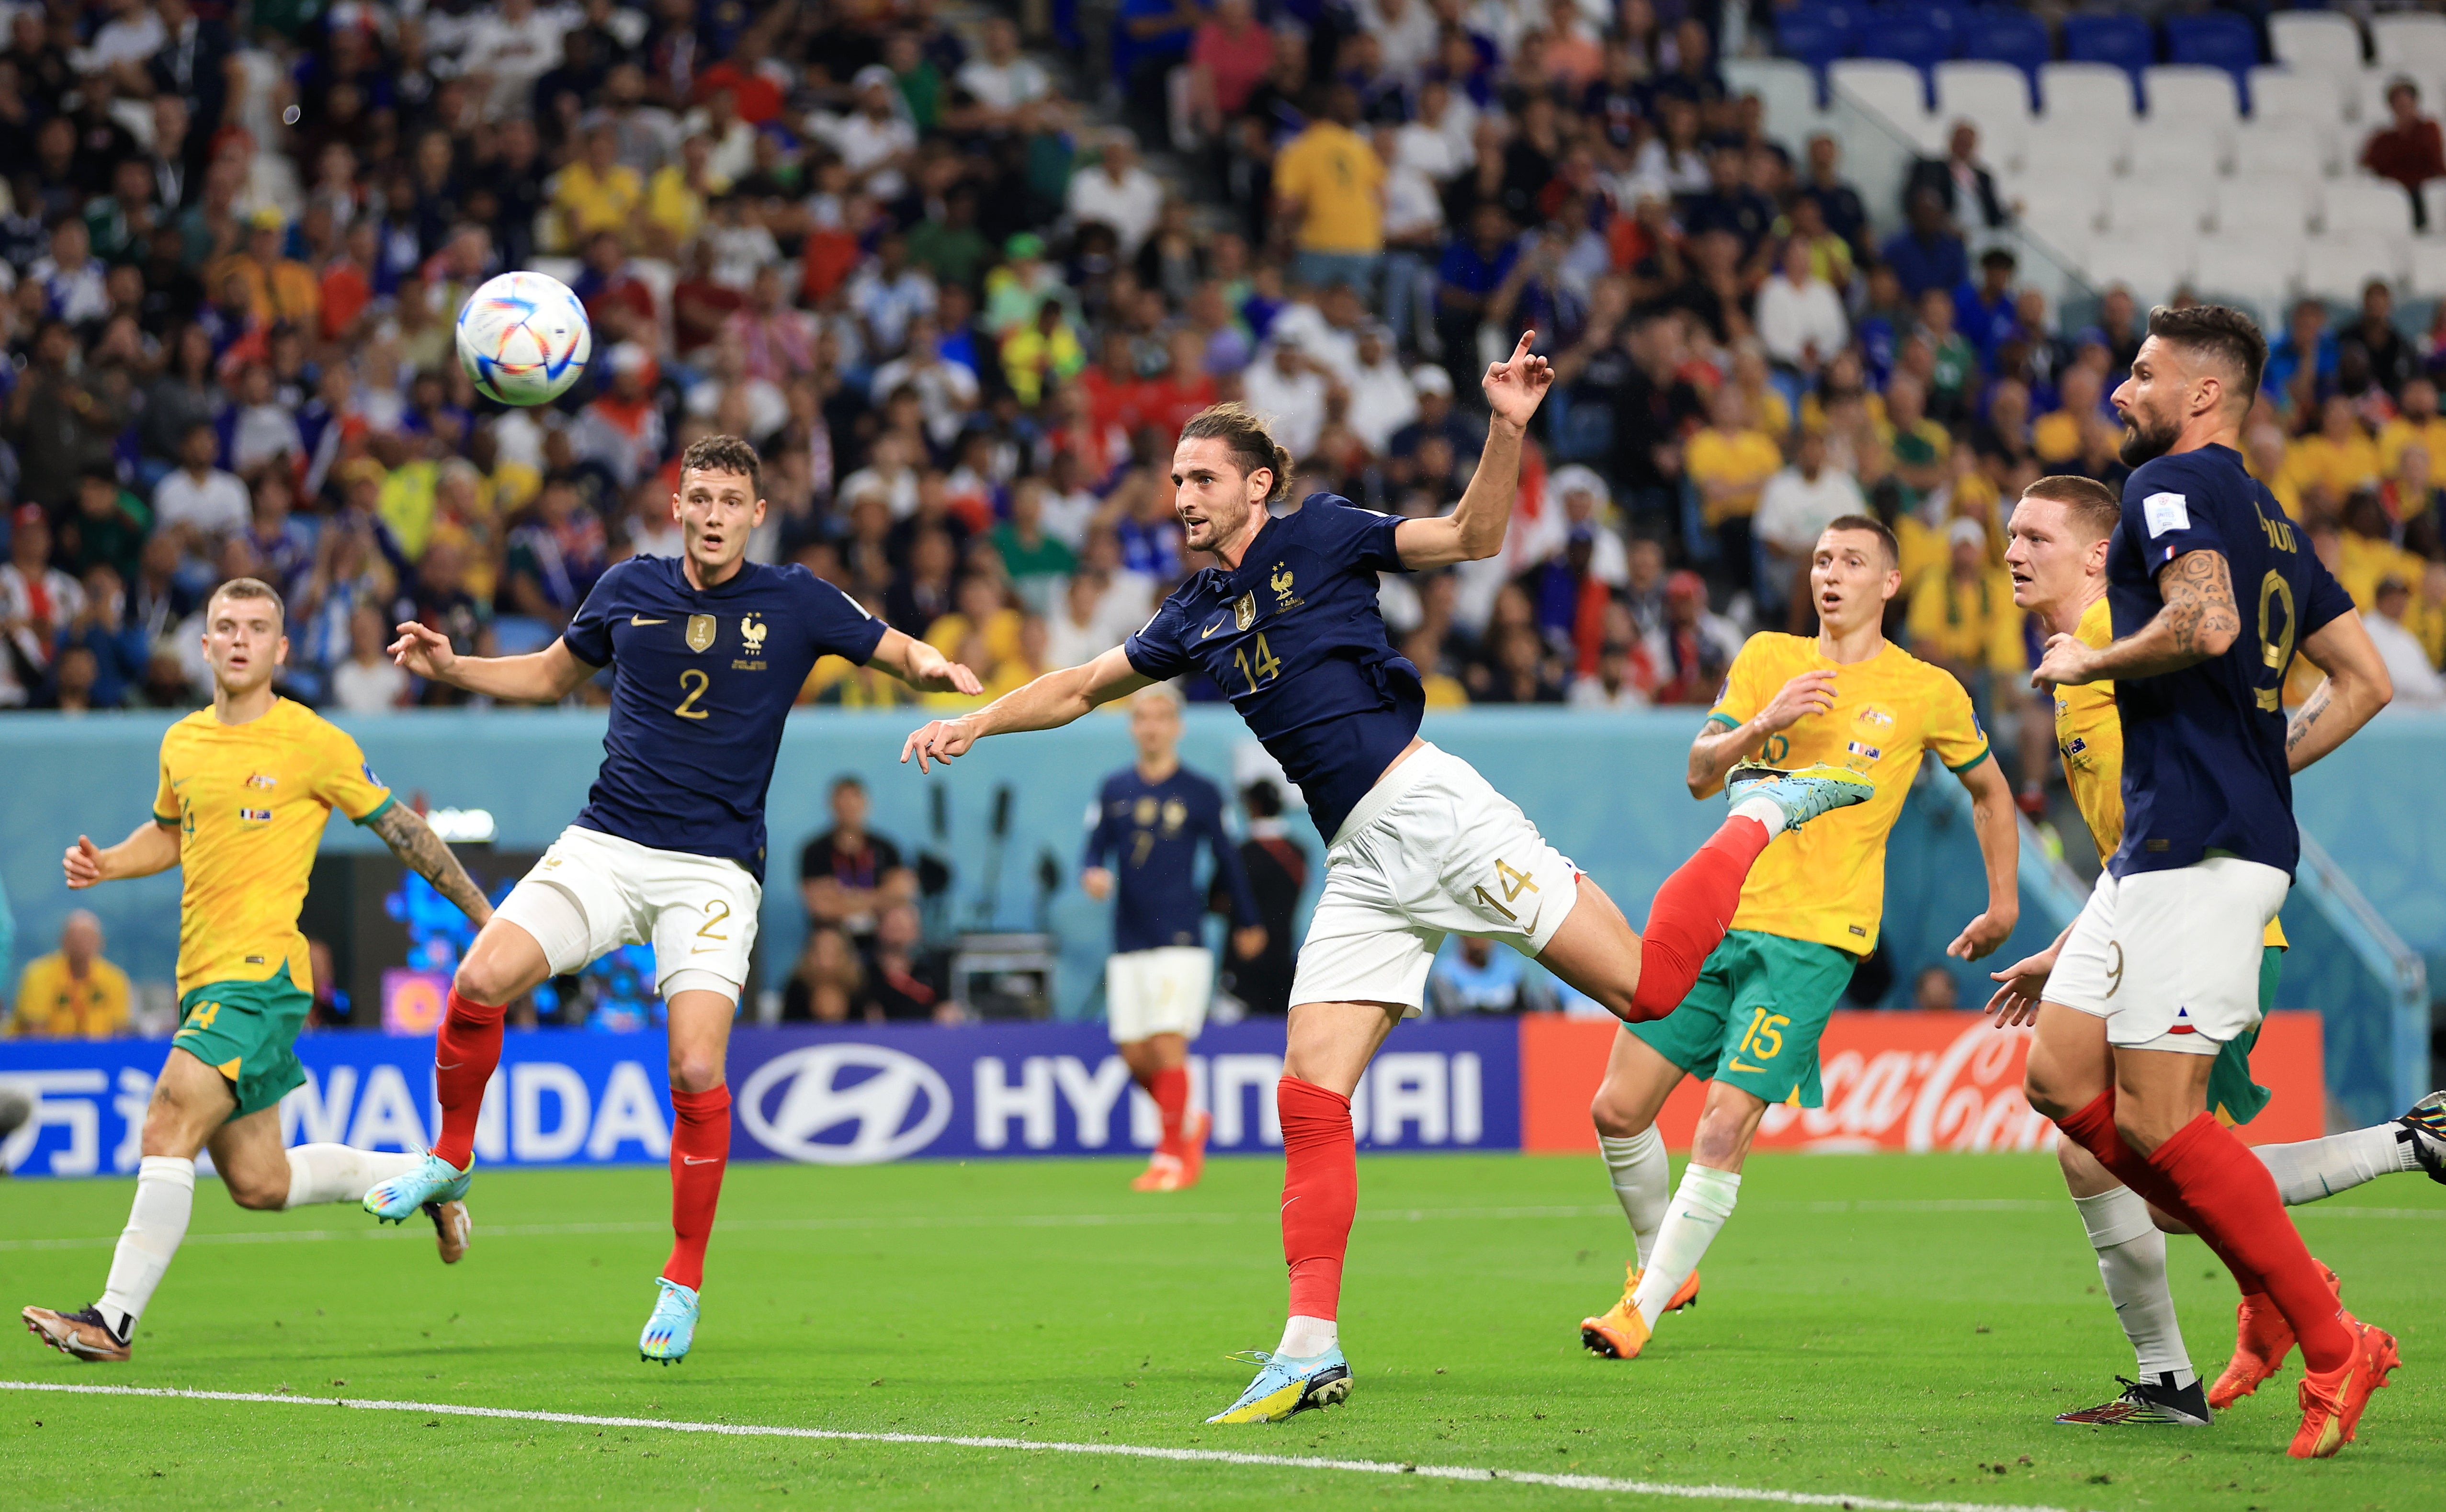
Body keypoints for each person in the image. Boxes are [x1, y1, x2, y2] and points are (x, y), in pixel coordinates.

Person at [899, 342, 1874, 1424]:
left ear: (1256, 484)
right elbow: (1083, 684)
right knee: (1307, 1094)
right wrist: (978, 720)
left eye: (1200, 478)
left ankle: (1757, 815)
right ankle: (1309, 1346)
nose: (1180, 495)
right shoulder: (1191, 611)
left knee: (1646, 991)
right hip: (1359, 860)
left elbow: (1471, 536)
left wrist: (1504, 425)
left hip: (1433, 815)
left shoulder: (1321, 534)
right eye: (1174, 480)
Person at [369, 436, 979, 1365]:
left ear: (755, 514)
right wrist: (453, 668)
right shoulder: (625, 589)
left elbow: (892, 648)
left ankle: (682, 1277)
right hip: (606, 843)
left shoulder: (796, 598)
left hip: (713, 870)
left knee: (696, 1070)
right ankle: (454, 1153)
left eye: (730, 499)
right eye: (698, 496)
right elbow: (545, 676)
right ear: (676, 504)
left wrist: (939, 672)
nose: (712, 513)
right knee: (481, 976)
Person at [2008, 305, 2401, 1459]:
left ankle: (2332, 1338)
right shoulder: (2271, 515)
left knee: (2161, 1124)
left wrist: (2097, 654)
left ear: (2201, 396)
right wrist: (2260, 757)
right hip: (2161, 848)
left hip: (2203, 852)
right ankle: (2276, 1282)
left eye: (2139, 371)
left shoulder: (2164, 485)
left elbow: (2203, 617)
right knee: (2059, 1084)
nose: (2118, 387)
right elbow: (2365, 679)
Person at [1577, 515, 2020, 1362]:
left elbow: (1991, 792)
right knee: (1615, 1108)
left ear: (1889, 582)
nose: (1831, 573)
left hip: (1815, 938)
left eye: (1853, 561)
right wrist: (1760, 723)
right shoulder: (1765, 659)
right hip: (1719, 918)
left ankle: (1641, 1307)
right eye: (1821, 559)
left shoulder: (1926, 689)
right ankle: (1662, 1263)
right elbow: (1700, 774)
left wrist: (2001, 903)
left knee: (1720, 1124)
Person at [20, 577, 496, 1365]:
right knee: (260, 1181)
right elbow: (172, 833)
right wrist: (108, 863)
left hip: (263, 978)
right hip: (203, 979)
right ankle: (431, 1176)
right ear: (203, 645)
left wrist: (487, 919)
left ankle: (112, 1319)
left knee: (168, 1114)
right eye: (224, 626)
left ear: (280, 648)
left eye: (257, 628)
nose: (239, 638)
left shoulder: (312, 740)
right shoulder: (183, 742)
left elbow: (402, 829)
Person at [1081, 685, 1264, 1192]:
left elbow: (1227, 858)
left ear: (1177, 726)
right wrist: (1092, 872)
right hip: (1129, 934)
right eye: (1143, 717)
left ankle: (1168, 1156)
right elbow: (1093, 849)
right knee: (1133, 1054)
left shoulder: (1201, 791)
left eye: (1161, 716)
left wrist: (1247, 920)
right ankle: (1187, 1122)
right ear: (1132, 726)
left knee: (1167, 1042)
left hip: (1181, 934)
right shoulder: (1113, 788)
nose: (1152, 725)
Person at [1215, 779, 1306, 1017]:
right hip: (1282, 961)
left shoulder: (1239, 855)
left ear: (1252, 807)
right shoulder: (1298, 854)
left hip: (1240, 965)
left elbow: (1216, 901)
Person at [799, 775, 915, 959]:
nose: (848, 807)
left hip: (879, 933)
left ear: (865, 804)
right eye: (842, 801)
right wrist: (877, 898)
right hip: (837, 934)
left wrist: (846, 900)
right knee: (827, 943)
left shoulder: (886, 848)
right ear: (832, 805)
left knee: (902, 919)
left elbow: (901, 893)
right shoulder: (815, 851)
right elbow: (820, 907)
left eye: (854, 800)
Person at [7, 910, 130, 1038]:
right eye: (75, 936)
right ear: (63, 941)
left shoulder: (115, 979)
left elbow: (119, 1034)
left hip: (97, 1054)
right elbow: (36, 1034)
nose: (81, 943)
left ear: (101, 942)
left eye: (87, 936)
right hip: (48, 1054)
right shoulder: (39, 975)